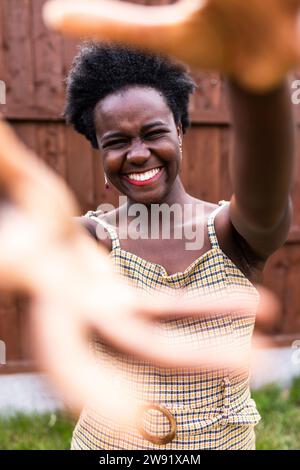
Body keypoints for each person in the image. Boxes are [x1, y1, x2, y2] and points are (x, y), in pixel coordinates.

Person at [62, 41, 295, 450]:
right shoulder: (87, 242)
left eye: (154, 133)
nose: (137, 154)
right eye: (117, 141)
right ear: (99, 150)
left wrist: (256, 76)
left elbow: (266, 187)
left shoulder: (233, 235)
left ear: (180, 131)